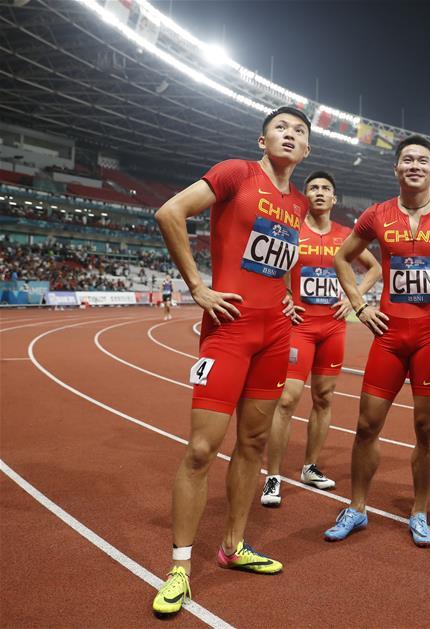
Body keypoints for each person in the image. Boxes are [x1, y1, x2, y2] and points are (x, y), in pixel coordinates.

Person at [150, 106, 310, 616]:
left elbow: (276, 256)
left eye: (300, 132)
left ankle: (233, 547)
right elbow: (169, 212)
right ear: (262, 140)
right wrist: (197, 285)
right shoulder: (235, 173)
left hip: (274, 333)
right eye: (282, 128)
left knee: (255, 443)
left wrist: (285, 292)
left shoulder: (300, 203)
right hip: (229, 331)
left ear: (307, 151)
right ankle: (178, 567)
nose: (291, 135)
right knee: (202, 448)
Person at [324, 135, 430, 546]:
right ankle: (357, 507)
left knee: (427, 428)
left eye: (423, 160)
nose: (415, 165)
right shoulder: (377, 215)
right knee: (367, 425)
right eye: (407, 160)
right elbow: (340, 257)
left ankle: (420, 512)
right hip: (388, 335)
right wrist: (359, 305)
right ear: (396, 169)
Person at [261, 171, 380, 506]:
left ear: (334, 198)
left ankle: (310, 467)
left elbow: (375, 269)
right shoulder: (292, 231)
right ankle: (273, 476)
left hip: (332, 328)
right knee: (286, 400)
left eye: (326, 188)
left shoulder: (346, 235)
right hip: (300, 327)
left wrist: (352, 299)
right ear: (306, 195)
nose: (319, 192)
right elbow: (270, 266)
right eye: (313, 187)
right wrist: (283, 295)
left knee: (324, 398)